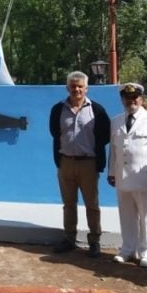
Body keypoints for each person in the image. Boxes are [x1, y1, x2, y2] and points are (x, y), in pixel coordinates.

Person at [49, 71, 110, 258]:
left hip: (88, 164)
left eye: (80, 86)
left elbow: (105, 135)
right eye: (73, 86)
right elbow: (54, 133)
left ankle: (94, 241)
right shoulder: (58, 109)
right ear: (68, 88)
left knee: (92, 204)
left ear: (86, 88)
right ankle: (69, 239)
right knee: (69, 204)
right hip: (66, 162)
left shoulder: (97, 110)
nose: (77, 89)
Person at [108, 83, 147, 268]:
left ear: (141, 99)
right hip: (123, 177)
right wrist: (112, 172)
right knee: (126, 216)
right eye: (127, 98)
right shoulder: (116, 120)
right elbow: (114, 150)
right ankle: (127, 250)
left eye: (135, 98)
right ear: (122, 100)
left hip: (145, 178)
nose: (131, 101)